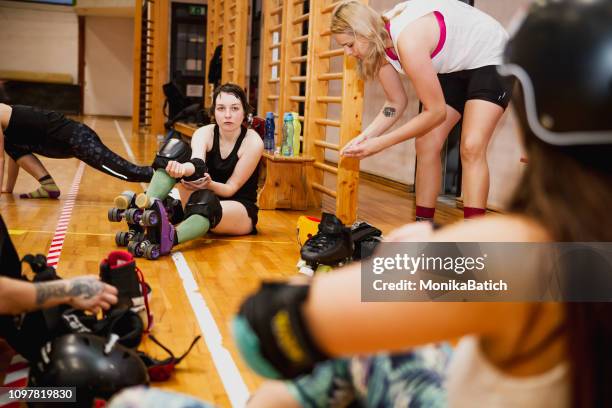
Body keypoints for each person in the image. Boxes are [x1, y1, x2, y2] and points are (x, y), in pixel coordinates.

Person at [233, 1, 612, 407]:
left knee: (299, 386)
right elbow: (396, 106)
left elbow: (259, 331)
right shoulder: (586, 260)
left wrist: (399, 264)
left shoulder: (513, 256)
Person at [332, 0, 513, 222]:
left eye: (349, 44)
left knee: (472, 146)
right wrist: (365, 137)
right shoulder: (378, 47)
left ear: (364, 32)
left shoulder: (407, 41)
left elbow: (436, 112)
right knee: (426, 143)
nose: (348, 53)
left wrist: (381, 143)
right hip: (456, 63)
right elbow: (394, 104)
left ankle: (473, 234)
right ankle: (423, 226)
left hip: (491, 54)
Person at [126, 83, 263, 258]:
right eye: (221, 108)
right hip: (200, 195)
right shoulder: (204, 133)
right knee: (172, 156)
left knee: (205, 203)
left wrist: (209, 184)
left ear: (244, 112)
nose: (228, 115)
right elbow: (197, 164)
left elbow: (231, 188)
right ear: (213, 112)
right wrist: (180, 169)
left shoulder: (253, 142)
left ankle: (169, 238)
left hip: (238, 208)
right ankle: (145, 211)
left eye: (235, 108)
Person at [0, 103, 153, 199]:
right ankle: (48, 186)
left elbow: (0, 159)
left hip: (78, 139)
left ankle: (164, 173)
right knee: (11, 144)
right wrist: (8, 188)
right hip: (59, 144)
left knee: (128, 172)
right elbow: (14, 155)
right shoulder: (6, 120)